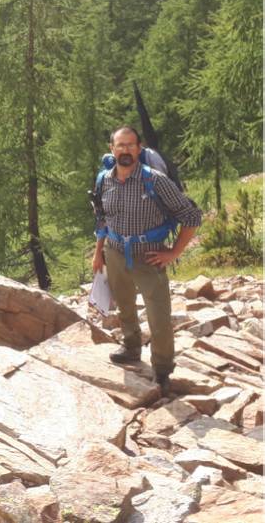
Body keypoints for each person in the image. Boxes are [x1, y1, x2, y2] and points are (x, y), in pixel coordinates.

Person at [91, 125, 201, 397]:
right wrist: (98, 252)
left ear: (139, 149)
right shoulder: (104, 180)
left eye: (130, 145)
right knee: (125, 305)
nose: (125, 150)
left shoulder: (155, 180)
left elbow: (192, 217)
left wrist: (173, 253)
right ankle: (131, 348)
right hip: (115, 252)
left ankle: (162, 370)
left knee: (159, 316)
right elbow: (102, 218)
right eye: (120, 145)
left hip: (148, 255)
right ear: (111, 148)